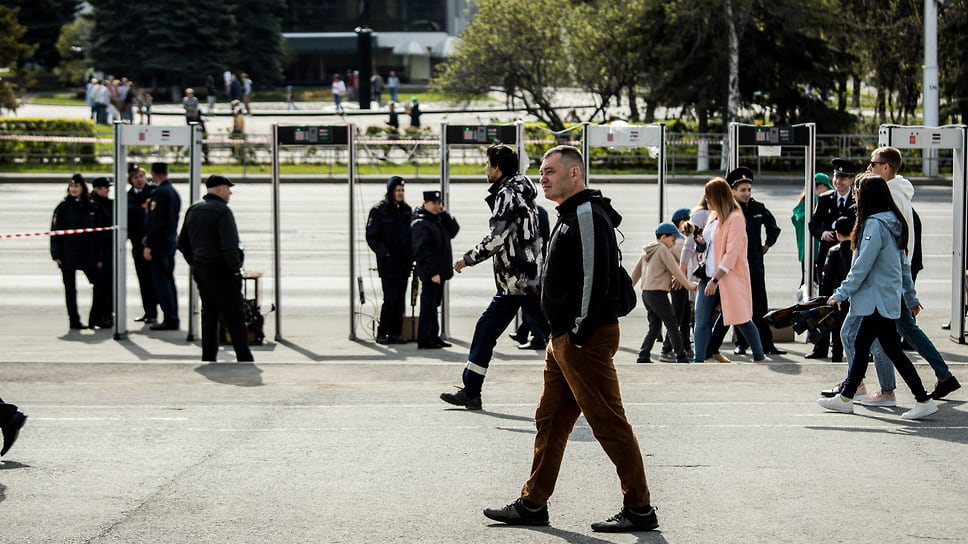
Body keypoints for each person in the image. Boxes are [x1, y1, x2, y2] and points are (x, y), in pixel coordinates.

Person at [484, 145, 658, 533]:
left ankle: (640, 508)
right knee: (550, 419)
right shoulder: (568, 214)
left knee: (608, 422)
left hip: (583, 339)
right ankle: (533, 502)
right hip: (564, 338)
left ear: (574, 174)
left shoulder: (585, 215)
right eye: (541, 171)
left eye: (550, 171)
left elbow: (593, 280)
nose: (542, 177)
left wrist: (576, 331)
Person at [817, 174, 938, 420]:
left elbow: (862, 266)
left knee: (890, 350)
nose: (854, 196)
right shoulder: (893, 221)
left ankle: (923, 399)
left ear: (867, 196)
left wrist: (840, 293)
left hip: (875, 300)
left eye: (857, 192)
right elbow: (904, 265)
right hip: (881, 298)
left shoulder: (874, 225)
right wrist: (911, 297)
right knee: (862, 347)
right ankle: (847, 397)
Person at [440, 144, 550, 410]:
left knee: (553, 337)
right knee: (488, 330)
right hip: (521, 280)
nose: (485, 168)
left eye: (487, 164)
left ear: (497, 167)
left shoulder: (507, 194)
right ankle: (472, 390)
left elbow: (496, 238)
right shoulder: (522, 190)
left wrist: (466, 260)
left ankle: (583, 388)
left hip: (519, 281)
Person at [858, 147, 961, 403]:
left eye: (873, 164)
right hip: (898, 273)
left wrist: (904, 284)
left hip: (892, 275)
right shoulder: (899, 191)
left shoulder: (891, 194)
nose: (869, 168)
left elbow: (895, 240)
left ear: (886, 167)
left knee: (869, 334)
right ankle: (942, 377)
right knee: (904, 329)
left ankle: (877, 389)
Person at [177, 174, 253, 363]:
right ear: (220, 189)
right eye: (228, 189)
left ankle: (209, 357)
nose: (230, 194)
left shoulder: (193, 209)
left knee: (209, 315)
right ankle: (244, 358)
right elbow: (230, 246)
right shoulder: (223, 211)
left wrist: (195, 263)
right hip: (223, 272)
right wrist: (235, 268)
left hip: (202, 270)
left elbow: (182, 243)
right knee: (235, 315)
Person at [693, 177, 765, 363]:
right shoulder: (714, 215)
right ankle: (700, 359)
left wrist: (716, 279)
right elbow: (711, 246)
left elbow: (731, 253)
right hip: (708, 275)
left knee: (740, 318)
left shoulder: (736, 218)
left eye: (709, 196)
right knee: (701, 319)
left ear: (717, 196)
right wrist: (701, 245)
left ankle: (759, 356)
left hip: (726, 277)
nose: (706, 199)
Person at [727, 167, 784, 356]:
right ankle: (741, 343)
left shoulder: (758, 208)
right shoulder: (730, 210)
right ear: (733, 191)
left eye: (749, 189)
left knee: (759, 305)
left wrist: (767, 244)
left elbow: (773, 227)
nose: (746, 193)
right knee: (740, 305)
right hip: (737, 265)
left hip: (755, 264)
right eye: (742, 190)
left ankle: (767, 344)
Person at [630, 221, 698, 363]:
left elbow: (635, 274)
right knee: (672, 324)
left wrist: (627, 289)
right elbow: (676, 270)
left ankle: (643, 354)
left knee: (654, 326)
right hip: (658, 294)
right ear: (663, 237)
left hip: (646, 293)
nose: (673, 243)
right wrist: (690, 285)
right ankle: (681, 356)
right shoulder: (662, 250)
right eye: (673, 239)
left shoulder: (647, 251)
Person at [50, 174, 102, 330]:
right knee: (70, 289)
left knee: (99, 284)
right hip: (68, 253)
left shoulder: (90, 206)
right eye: (71, 186)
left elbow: (96, 233)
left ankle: (95, 318)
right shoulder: (63, 208)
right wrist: (56, 254)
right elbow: (55, 231)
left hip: (87, 252)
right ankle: (74, 320)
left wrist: (98, 255)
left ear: (83, 188)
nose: (73, 189)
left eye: (77, 186)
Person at [366, 176, 413, 345]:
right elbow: (372, 236)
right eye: (397, 190)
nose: (400, 193)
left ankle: (395, 333)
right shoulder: (379, 210)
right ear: (390, 191)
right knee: (390, 298)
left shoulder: (407, 210)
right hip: (388, 264)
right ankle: (382, 332)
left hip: (403, 263)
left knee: (400, 299)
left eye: (402, 190)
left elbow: (412, 236)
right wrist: (385, 254)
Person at [410, 190, 459, 349]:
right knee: (428, 305)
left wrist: (444, 213)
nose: (438, 206)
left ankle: (433, 336)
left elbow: (453, 230)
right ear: (425, 203)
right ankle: (424, 339)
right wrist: (432, 273)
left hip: (440, 271)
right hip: (432, 273)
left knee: (433, 305)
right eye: (435, 203)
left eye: (439, 203)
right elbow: (422, 251)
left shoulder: (436, 218)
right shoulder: (421, 222)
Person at [808, 158, 858, 294]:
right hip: (827, 252)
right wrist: (822, 234)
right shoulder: (825, 199)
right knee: (825, 292)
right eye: (836, 177)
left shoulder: (857, 200)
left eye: (843, 178)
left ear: (851, 180)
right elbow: (813, 224)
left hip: (848, 254)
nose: (838, 182)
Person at [143, 162, 181, 331]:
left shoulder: (160, 193)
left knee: (161, 282)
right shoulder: (173, 192)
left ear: (153, 174)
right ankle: (173, 315)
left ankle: (170, 318)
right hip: (170, 242)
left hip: (159, 244)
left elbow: (156, 221)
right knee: (169, 280)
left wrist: (149, 244)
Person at [509, 204, 551, 350]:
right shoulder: (541, 211)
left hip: (527, 265)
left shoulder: (523, 213)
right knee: (529, 302)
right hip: (539, 260)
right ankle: (523, 332)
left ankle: (539, 337)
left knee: (530, 304)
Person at [814, 216, 854, 362]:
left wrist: (824, 296)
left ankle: (836, 355)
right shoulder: (858, 250)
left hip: (837, 296)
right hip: (854, 297)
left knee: (837, 329)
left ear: (837, 233)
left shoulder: (834, 251)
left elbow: (827, 276)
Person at [661, 208, 694, 358]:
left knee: (685, 315)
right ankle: (667, 348)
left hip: (681, 281)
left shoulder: (677, 240)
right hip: (679, 282)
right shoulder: (679, 241)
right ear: (682, 222)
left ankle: (686, 345)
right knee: (678, 316)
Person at [126, 163, 158, 324]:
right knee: (144, 281)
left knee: (157, 279)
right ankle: (149, 312)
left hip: (153, 245)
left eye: (141, 176)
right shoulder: (128, 197)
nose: (139, 180)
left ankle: (162, 312)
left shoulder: (153, 193)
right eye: (135, 177)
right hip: (137, 246)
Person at [792, 172, 834, 284]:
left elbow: (796, 218)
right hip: (815, 248)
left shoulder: (804, 202)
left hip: (806, 249)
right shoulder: (816, 201)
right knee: (817, 280)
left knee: (807, 280)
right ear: (822, 186)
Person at [89, 176, 114, 328]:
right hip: (102, 251)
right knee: (102, 286)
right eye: (106, 187)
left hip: (108, 250)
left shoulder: (106, 203)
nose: (108, 189)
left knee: (108, 285)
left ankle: (105, 315)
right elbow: (95, 233)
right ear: (97, 189)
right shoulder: (94, 206)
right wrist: (98, 256)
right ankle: (99, 317)